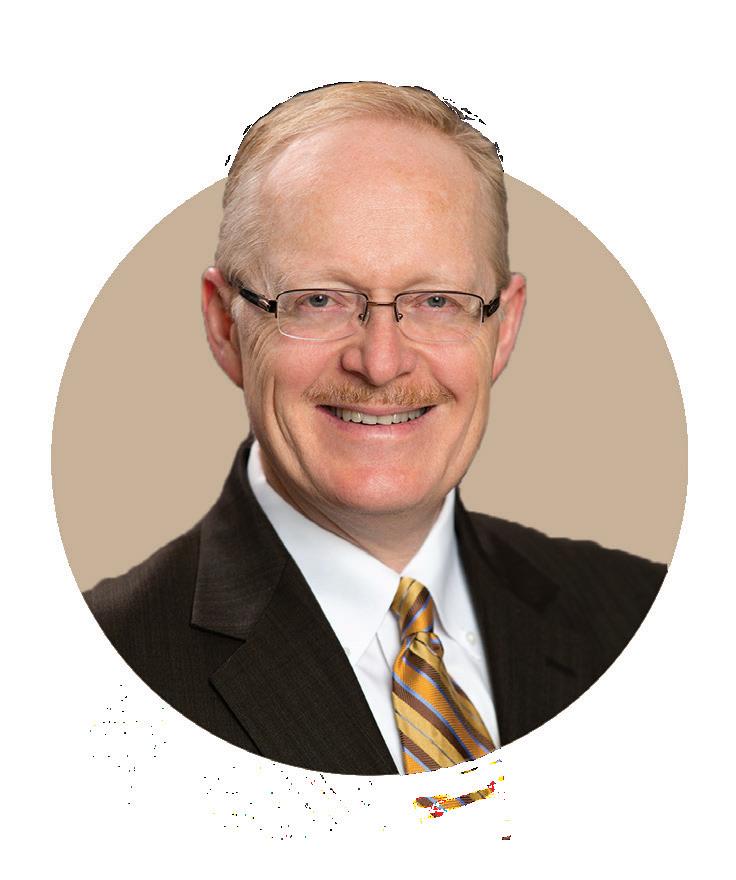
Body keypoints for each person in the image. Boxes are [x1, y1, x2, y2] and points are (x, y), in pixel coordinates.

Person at [85, 82, 665, 775]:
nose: (381, 363)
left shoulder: (644, 618)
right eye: (319, 300)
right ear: (224, 325)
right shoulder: (99, 668)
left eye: (437, 300)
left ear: (504, 328)